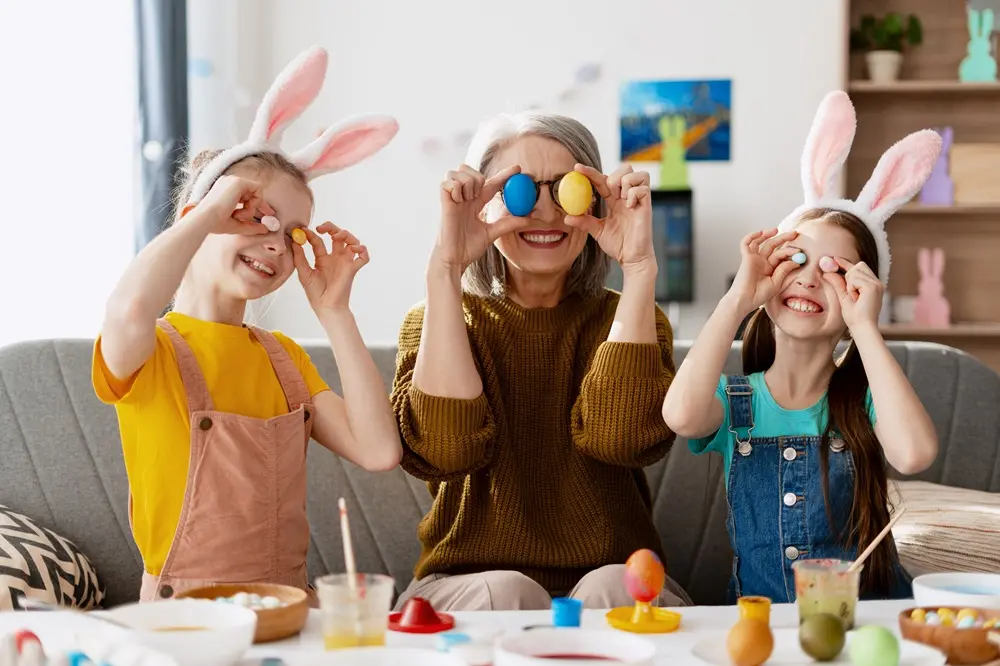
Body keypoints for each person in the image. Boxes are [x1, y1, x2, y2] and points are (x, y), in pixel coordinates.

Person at [92, 46, 402, 601]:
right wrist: (207, 213)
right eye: (256, 216)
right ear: (201, 211)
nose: (274, 243)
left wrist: (335, 311)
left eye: (293, 235)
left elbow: (380, 452)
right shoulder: (151, 348)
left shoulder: (283, 359)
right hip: (182, 622)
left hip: (288, 611)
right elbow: (130, 308)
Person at [390, 111, 692, 611]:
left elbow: (619, 438)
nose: (548, 213)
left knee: (611, 587)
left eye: (566, 188)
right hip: (468, 582)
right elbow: (446, 451)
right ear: (483, 205)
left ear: (595, 198)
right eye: (521, 191)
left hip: (616, 576)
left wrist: (639, 269)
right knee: (504, 590)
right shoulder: (435, 320)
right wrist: (445, 271)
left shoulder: (635, 318)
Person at [662, 91, 941, 604]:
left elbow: (916, 452)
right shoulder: (736, 403)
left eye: (835, 271)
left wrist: (865, 330)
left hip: (864, 621)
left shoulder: (864, 399)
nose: (811, 280)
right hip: (762, 625)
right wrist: (737, 299)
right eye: (796, 259)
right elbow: (680, 415)